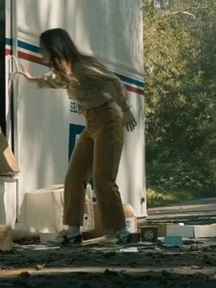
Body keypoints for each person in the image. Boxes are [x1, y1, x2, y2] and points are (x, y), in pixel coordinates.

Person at [17, 28, 137, 246]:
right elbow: (55, 80)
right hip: (91, 124)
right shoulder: (67, 71)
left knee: (103, 179)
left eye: (43, 48)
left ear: (54, 48)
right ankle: (72, 233)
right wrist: (32, 79)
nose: (40, 52)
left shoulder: (84, 66)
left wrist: (126, 109)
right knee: (74, 177)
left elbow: (113, 82)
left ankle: (120, 232)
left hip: (108, 121)